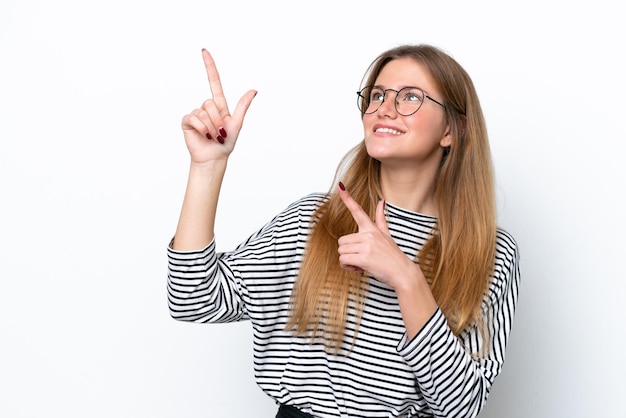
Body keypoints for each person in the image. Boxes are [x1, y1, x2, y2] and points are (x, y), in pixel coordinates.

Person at [167, 44, 520, 418]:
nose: (384, 108)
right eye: (378, 95)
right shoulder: (314, 221)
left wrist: (406, 278)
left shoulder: (492, 254)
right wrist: (207, 168)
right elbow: (193, 299)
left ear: (452, 129)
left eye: (410, 97)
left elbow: (461, 408)